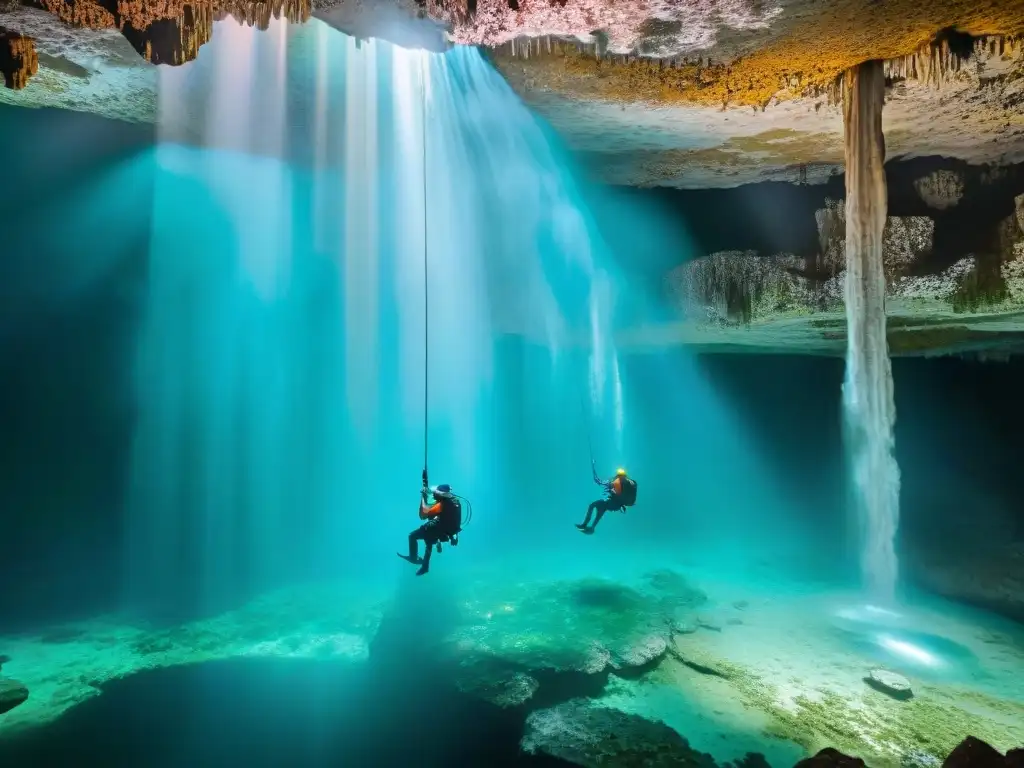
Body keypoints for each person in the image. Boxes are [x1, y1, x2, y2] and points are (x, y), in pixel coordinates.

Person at [397, 482, 462, 576]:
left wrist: (423, 497)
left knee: (413, 536)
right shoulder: (456, 501)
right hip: (449, 531)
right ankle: (426, 564)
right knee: (430, 535)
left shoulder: (441, 505)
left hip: (440, 530)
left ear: (441, 495)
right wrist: (455, 535)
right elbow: (456, 519)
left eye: (436, 493)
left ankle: (413, 557)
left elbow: (423, 514)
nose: (434, 495)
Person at [576, 464, 637, 534]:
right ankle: (592, 528)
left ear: (617, 475)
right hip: (618, 505)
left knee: (593, 505)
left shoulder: (615, 481)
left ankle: (585, 525)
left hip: (613, 503)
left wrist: (594, 474)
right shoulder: (631, 482)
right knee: (601, 508)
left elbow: (599, 482)